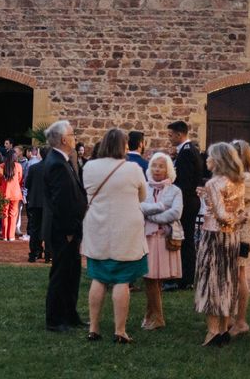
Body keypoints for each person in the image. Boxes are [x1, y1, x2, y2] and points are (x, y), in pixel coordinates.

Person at [82, 128, 147, 343]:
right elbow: (142, 195)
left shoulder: (89, 167)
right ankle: (120, 330)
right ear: (123, 146)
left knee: (98, 277)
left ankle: (94, 327)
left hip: (98, 225)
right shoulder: (132, 168)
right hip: (126, 228)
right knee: (122, 280)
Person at [195, 142, 246, 346]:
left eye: (209, 156)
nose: (206, 159)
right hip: (232, 238)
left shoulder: (214, 183)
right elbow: (240, 211)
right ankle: (224, 329)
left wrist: (230, 218)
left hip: (214, 237)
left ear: (218, 161)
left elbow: (222, 215)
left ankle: (213, 331)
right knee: (227, 281)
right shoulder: (238, 181)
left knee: (211, 281)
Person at [42, 120, 88, 333]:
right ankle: (55, 318)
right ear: (63, 139)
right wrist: (69, 230)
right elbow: (61, 200)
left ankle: (70, 314)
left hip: (72, 227)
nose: (74, 137)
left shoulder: (64, 160)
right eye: (72, 134)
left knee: (72, 272)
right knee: (61, 274)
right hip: (64, 229)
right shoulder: (57, 163)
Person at [140, 152, 183, 330]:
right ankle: (151, 315)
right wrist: (157, 210)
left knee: (156, 280)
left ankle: (157, 317)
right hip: (147, 238)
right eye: (154, 165)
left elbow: (176, 213)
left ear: (168, 169)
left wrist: (153, 217)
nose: (157, 169)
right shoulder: (144, 188)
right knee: (149, 278)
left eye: (161, 166)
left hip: (165, 239)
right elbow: (139, 206)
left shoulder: (175, 190)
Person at [167, 121, 203, 291]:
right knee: (185, 238)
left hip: (186, 202)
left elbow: (186, 182)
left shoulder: (187, 152)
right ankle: (184, 276)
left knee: (186, 238)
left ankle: (186, 278)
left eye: (171, 135)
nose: (169, 138)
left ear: (180, 134)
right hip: (188, 200)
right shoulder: (186, 151)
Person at [229, 139, 250, 337]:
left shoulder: (243, 179)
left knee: (238, 274)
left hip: (240, 232)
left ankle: (240, 320)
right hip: (240, 230)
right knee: (235, 274)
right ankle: (232, 318)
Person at [25, 146, 49, 263]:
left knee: (35, 228)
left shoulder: (34, 168)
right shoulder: (53, 168)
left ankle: (34, 253)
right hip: (49, 204)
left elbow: (27, 184)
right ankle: (49, 254)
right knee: (49, 228)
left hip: (35, 202)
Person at [1, 150, 23, 241]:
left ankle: (5, 236)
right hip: (15, 193)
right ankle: (11, 236)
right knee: (13, 215)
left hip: (5, 193)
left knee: (4, 214)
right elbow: (20, 179)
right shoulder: (18, 166)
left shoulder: (2, 166)